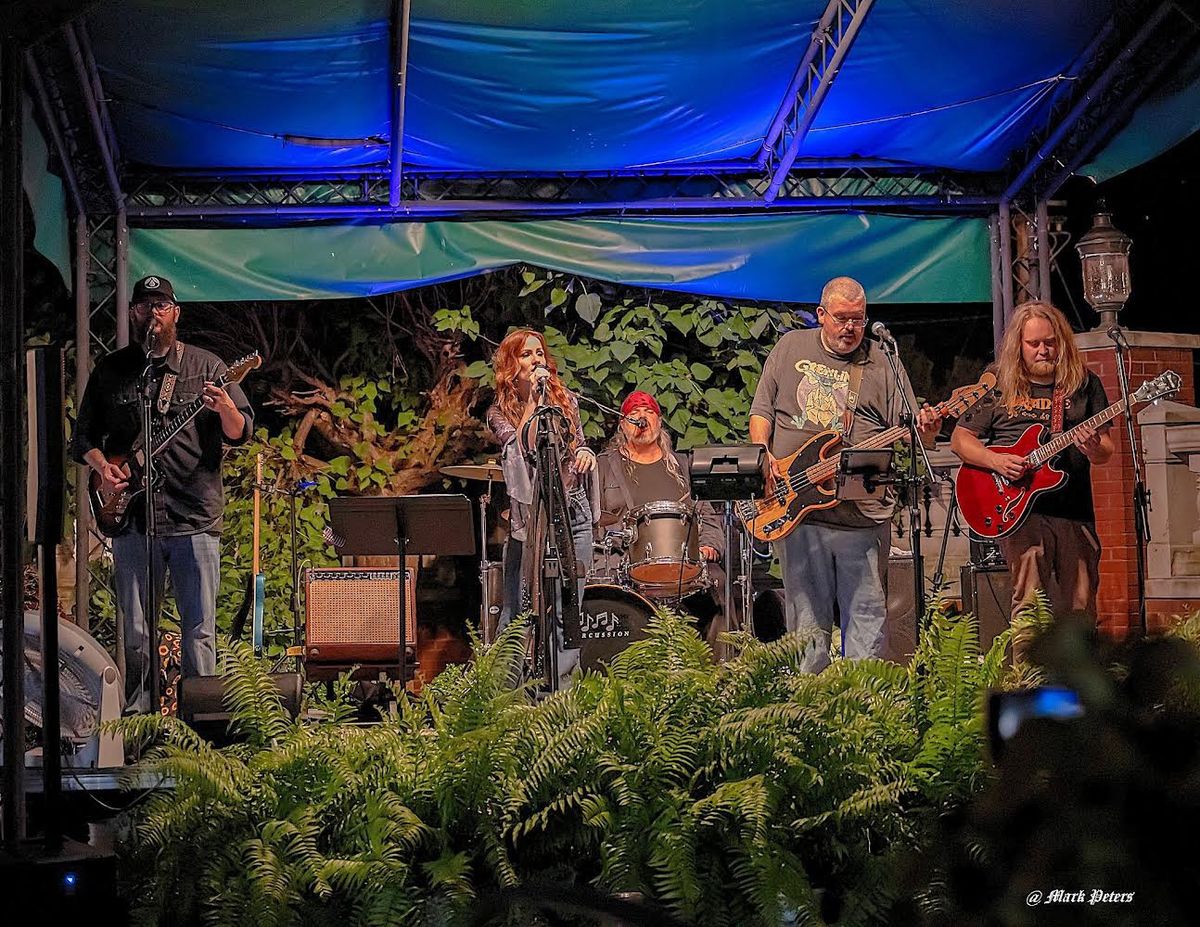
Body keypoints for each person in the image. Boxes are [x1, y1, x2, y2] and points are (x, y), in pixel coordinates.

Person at [71, 274, 254, 712]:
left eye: (161, 305)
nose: (153, 313)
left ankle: (200, 721)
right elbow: (81, 439)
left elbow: (241, 431)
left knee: (200, 630)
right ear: (133, 311)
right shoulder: (113, 370)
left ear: (175, 313)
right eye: (144, 305)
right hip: (133, 520)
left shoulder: (208, 367)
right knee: (135, 629)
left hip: (194, 518)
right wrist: (105, 469)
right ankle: (139, 719)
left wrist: (225, 405)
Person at [748, 276, 941, 672]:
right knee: (806, 627)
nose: (850, 327)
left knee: (868, 620)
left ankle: (862, 710)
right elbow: (761, 411)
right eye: (841, 318)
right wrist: (762, 455)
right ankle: (810, 711)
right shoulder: (790, 348)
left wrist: (928, 428)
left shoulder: (883, 360)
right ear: (821, 315)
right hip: (798, 510)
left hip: (862, 514)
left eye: (858, 318)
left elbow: (911, 428)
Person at [951, 300, 1113, 627]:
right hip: (1019, 512)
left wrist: (1093, 447)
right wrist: (995, 461)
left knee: (1081, 608)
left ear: (1062, 342)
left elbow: (1106, 450)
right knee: (1029, 606)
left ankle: (1077, 677)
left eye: (1050, 343)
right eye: (1034, 344)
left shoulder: (1084, 382)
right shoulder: (998, 382)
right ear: (1019, 345)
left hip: (1074, 510)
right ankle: (1026, 678)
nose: (1043, 350)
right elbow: (960, 439)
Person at [485, 329, 596, 686]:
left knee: (568, 608)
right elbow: (525, 447)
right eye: (526, 354)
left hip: (571, 511)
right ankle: (504, 698)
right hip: (529, 522)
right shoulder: (499, 413)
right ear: (510, 366)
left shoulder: (566, 401)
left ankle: (560, 698)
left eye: (539, 352)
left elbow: (577, 442)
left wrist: (583, 452)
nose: (536, 359)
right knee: (517, 614)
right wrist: (534, 400)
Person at [595, 390, 725, 642]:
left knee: (719, 582)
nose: (642, 418)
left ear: (659, 420)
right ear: (623, 424)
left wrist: (709, 545)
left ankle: (719, 668)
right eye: (634, 414)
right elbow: (589, 520)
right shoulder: (604, 466)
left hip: (683, 565)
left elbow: (707, 517)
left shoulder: (683, 466)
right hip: (622, 564)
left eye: (648, 412)